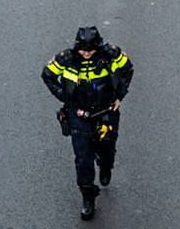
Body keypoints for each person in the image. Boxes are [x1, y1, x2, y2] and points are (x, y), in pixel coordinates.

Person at [41, 27, 133, 221]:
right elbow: (47, 75)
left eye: (90, 50)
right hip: (78, 115)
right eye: (83, 50)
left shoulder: (111, 55)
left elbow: (128, 70)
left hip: (106, 112)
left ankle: (106, 165)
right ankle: (88, 195)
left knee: (107, 147)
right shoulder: (66, 59)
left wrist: (120, 96)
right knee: (83, 157)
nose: (86, 54)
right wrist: (63, 96)